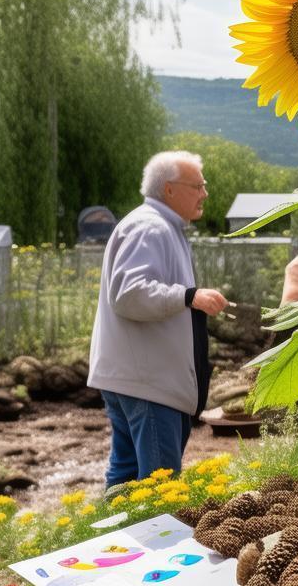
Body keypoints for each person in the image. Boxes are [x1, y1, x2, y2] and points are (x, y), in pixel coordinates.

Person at [88, 151, 228, 488]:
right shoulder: (149, 227)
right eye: (198, 186)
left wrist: (188, 297)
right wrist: (188, 296)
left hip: (139, 379)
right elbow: (128, 293)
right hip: (150, 384)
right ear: (169, 189)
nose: (205, 193)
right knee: (158, 488)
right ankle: (148, 527)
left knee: (126, 482)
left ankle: (114, 525)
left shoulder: (160, 226)